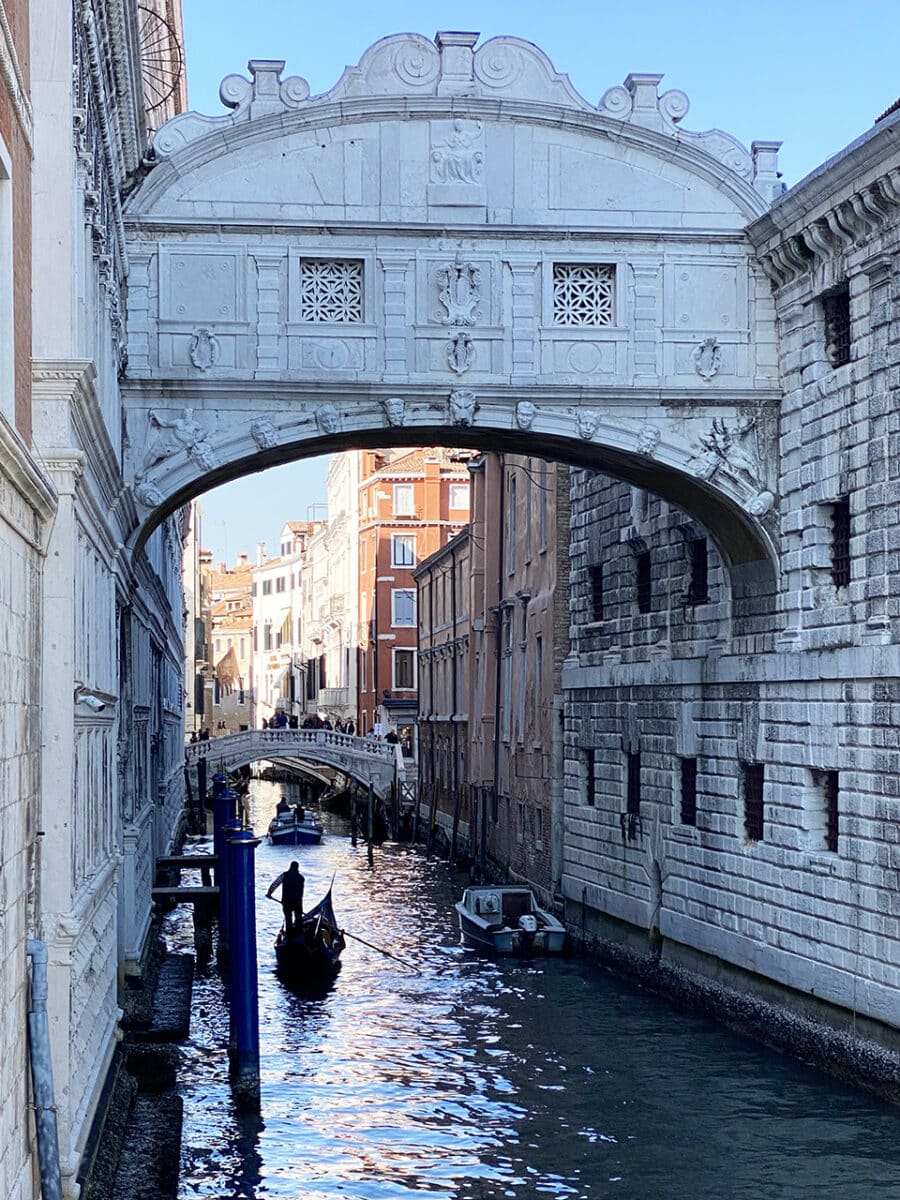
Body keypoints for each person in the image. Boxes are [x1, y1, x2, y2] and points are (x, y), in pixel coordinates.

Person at [266, 861, 305, 935]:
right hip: (298, 902)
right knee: (298, 918)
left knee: (288, 918)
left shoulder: (284, 875)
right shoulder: (301, 878)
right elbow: (301, 892)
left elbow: (275, 883)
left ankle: (289, 935)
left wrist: (269, 893)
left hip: (286, 902)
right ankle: (299, 934)